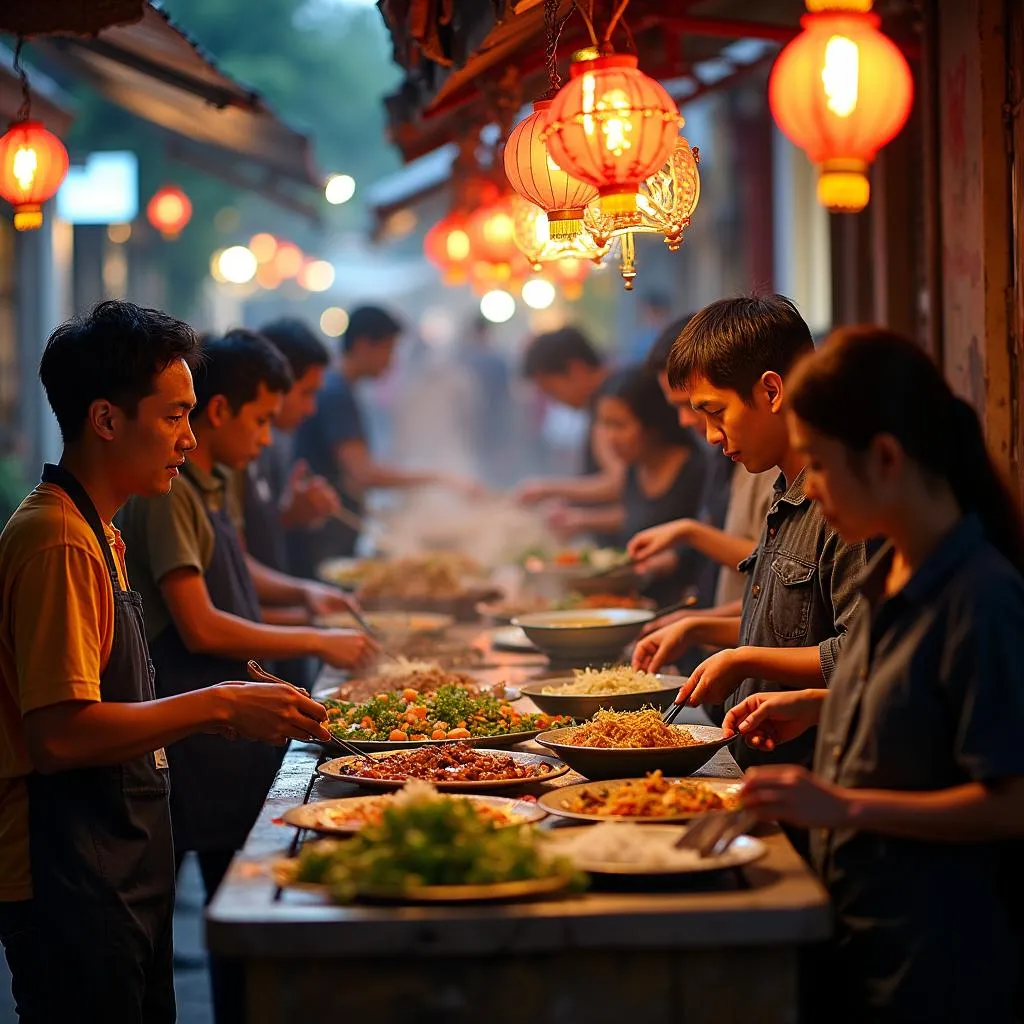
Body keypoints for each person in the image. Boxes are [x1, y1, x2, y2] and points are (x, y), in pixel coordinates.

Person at [0, 301, 336, 1024]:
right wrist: (217, 707)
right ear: (107, 420)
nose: (190, 438)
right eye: (174, 416)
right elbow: (57, 736)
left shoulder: (103, 531)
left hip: (118, 859)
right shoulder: (56, 539)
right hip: (67, 870)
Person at [723, 327, 1024, 1022]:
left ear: (885, 458)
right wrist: (815, 703)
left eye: (820, 465)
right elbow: (914, 712)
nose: (811, 489)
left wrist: (845, 806)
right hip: (861, 933)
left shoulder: (981, 599)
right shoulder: (892, 574)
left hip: (935, 962)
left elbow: (1009, 803)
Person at [633, 295, 866, 773]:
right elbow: (784, 623)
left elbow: (860, 653)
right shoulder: (783, 491)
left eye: (715, 412)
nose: (710, 435)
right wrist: (703, 630)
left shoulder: (844, 504)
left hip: (805, 779)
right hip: (753, 768)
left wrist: (743, 660)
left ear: (772, 391)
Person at [291, 305, 478, 574]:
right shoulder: (336, 393)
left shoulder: (342, 389)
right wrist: (438, 478)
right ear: (364, 345)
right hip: (321, 542)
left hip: (329, 537)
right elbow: (364, 474)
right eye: (389, 350)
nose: (392, 362)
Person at [627, 316, 775, 612]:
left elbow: (772, 568)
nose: (686, 421)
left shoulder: (767, 462)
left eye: (711, 408)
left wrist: (689, 532)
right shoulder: (723, 455)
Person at [547, 365, 708, 607]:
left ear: (652, 425)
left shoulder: (695, 471)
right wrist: (580, 520)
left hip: (680, 612)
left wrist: (668, 560)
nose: (609, 437)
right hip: (634, 605)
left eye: (619, 425)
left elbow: (706, 542)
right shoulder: (635, 468)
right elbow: (634, 516)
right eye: (604, 425)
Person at [239, 318, 341, 575]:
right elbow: (237, 561)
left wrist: (292, 513)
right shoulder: (235, 451)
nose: (311, 408)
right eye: (307, 393)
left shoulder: (279, 443)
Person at [515, 326, 624, 512]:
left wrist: (546, 489)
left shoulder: (612, 402)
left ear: (576, 369)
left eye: (552, 391)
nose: (555, 401)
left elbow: (619, 482)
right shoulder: (608, 394)